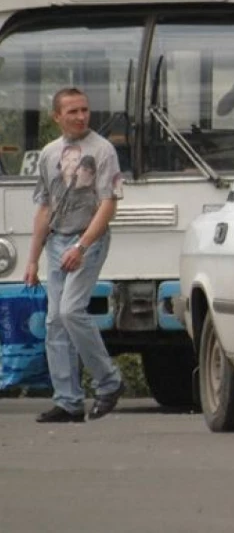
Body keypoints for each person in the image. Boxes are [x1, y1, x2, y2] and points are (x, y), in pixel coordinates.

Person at [24, 87, 125, 423]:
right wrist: (32, 258)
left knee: (70, 310)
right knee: (54, 320)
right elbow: (44, 207)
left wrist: (82, 247)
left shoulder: (102, 150)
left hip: (89, 238)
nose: (81, 116)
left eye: (84, 110)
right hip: (56, 241)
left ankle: (109, 382)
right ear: (57, 117)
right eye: (73, 112)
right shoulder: (49, 154)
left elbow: (108, 204)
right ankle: (68, 401)